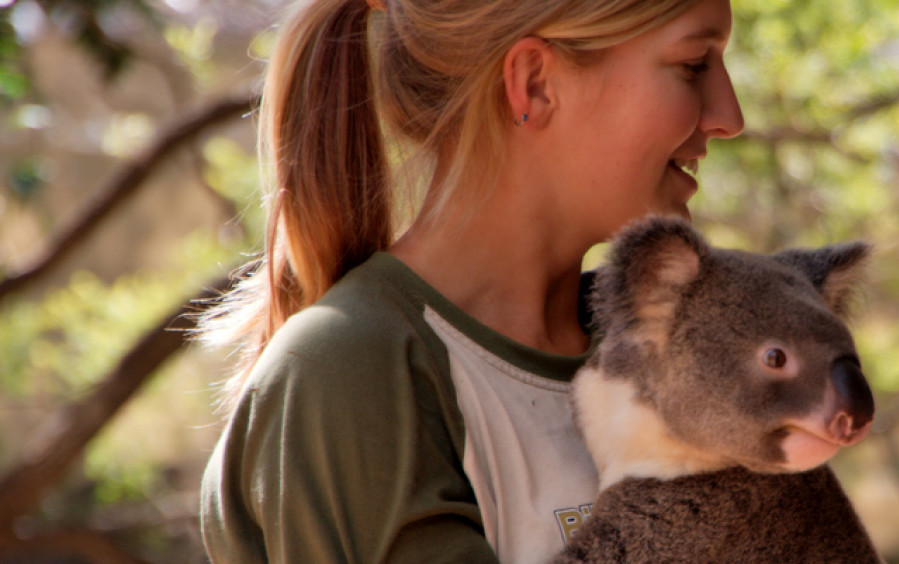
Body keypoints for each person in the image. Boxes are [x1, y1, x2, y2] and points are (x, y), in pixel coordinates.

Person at [195, 0, 744, 560]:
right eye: (694, 65)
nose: (730, 116)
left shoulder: (669, 347)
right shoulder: (352, 374)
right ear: (534, 84)